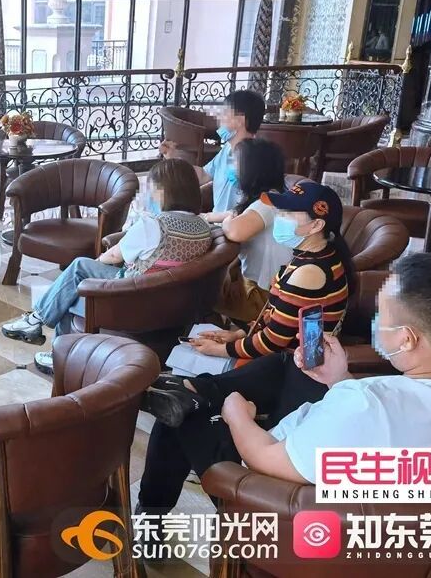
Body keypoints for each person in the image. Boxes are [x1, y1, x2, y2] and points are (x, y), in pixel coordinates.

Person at [136, 253, 431, 515]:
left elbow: (263, 459)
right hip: (351, 466)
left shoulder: (366, 403)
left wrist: (236, 415)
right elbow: (384, 424)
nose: (376, 323)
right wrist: (339, 380)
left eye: (382, 316)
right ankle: (196, 390)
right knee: (288, 366)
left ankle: (151, 517)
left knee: (180, 417)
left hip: (281, 501)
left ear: (407, 338)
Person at [144, 181, 354, 424]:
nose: (280, 217)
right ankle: (184, 391)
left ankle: (186, 392)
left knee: (214, 406)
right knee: (209, 390)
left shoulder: (310, 272)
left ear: (316, 225)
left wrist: (222, 349)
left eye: (288, 213)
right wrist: (238, 334)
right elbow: (276, 316)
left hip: (302, 372)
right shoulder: (312, 257)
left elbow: (273, 340)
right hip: (288, 360)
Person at [0, 160, 213, 373]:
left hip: (135, 304)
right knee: (74, 282)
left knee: (75, 279)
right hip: (174, 306)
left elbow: (113, 255)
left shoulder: (153, 226)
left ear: (163, 192)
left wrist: (96, 271)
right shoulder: (204, 228)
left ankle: (55, 351)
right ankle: (36, 322)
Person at [202, 138, 293, 323]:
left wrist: (226, 220)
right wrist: (209, 216)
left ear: (253, 169)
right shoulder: (274, 197)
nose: (232, 168)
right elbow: (237, 214)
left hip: (263, 299)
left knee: (200, 290)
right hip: (267, 289)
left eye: (236, 162)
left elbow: (235, 231)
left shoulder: (267, 203)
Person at [202, 90, 266, 214]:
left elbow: (246, 210)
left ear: (240, 120)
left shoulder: (255, 158)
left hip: (235, 224)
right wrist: (174, 158)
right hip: (216, 220)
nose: (220, 119)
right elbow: (204, 175)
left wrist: (207, 217)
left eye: (225, 113)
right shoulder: (227, 148)